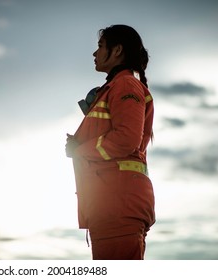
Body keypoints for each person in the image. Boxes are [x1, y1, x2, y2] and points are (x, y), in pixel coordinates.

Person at [65, 24, 155, 260]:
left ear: (117, 51)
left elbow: (126, 139)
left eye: (100, 46)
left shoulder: (125, 85)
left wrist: (79, 150)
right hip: (111, 203)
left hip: (117, 204)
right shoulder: (116, 87)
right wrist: (78, 145)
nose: (95, 53)